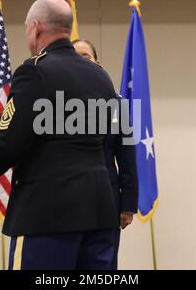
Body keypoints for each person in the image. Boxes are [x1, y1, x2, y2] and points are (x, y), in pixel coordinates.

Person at [0, 0, 118, 270]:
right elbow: (107, 134)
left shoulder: (35, 72)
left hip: (49, 212)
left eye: (26, 28)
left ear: (36, 27)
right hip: (100, 208)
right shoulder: (100, 76)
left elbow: (10, 140)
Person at [73, 39, 138, 270]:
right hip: (68, 201)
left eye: (86, 56)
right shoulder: (57, 104)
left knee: (104, 267)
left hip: (107, 201)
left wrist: (128, 204)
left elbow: (128, 156)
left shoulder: (117, 103)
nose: (80, 61)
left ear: (97, 64)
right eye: (75, 57)